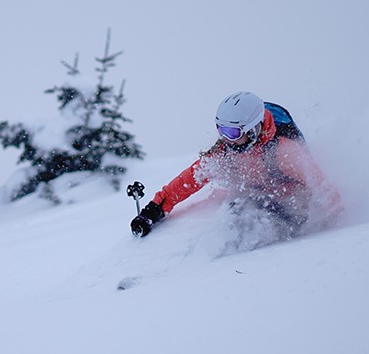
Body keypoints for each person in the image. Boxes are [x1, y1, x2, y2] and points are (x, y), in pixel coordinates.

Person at [131, 91, 341, 248]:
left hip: (292, 202)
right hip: (256, 195)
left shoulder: (284, 152)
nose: (226, 139)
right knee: (237, 215)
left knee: (256, 224)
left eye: (232, 132)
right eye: (221, 130)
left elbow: (322, 187)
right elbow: (188, 181)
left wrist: (331, 224)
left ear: (253, 129)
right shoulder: (226, 151)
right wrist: (152, 212)